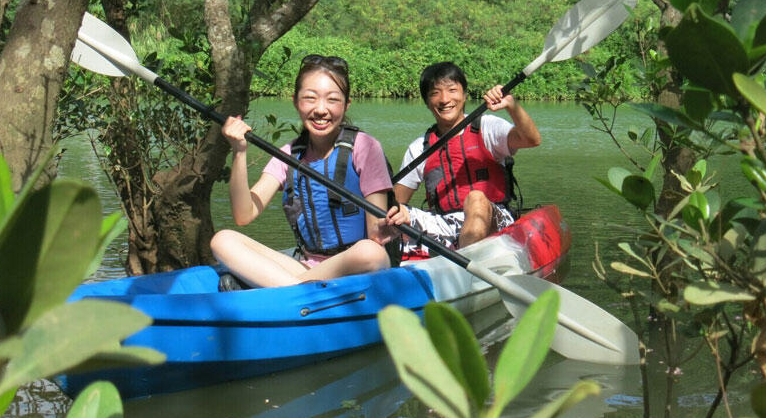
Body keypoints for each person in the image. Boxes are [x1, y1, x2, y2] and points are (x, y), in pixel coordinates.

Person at [210, 55, 399, 289]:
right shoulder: (287, 154)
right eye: (310, 98)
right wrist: (239, 151)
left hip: (354, 265)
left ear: (346, 104)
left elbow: (374, 235)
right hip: (305, 267)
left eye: (332, 100)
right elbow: (243, 214)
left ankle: (283, 288)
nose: (321, 110)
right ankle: (300, 288)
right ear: (295, 101)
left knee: (371, 252)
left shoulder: (366, 147)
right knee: (222, 240)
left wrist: (390, 225)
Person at [386, 61, 541, 257]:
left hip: (495, 220)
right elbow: (396, 202)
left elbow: (531, 139)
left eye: (452, 90)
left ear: (464, 95)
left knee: (475, 198)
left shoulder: (487, 127)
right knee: (395, 212)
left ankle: (463, 268)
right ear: (426, 102)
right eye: (435, 93)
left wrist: (511, 105)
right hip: (446, 224)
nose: (444, 99)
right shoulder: (420, 148)